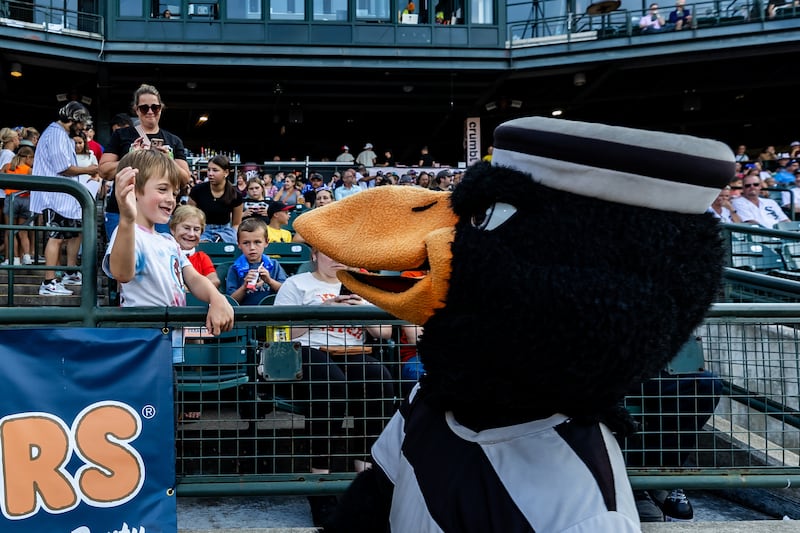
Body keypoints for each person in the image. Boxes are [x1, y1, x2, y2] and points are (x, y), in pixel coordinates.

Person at [273, 248, 394, 524]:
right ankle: (320, 483)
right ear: (315, 255)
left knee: (379, 380)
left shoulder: (360, 286)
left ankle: (366, 479)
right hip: (307, 352)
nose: (336, 258)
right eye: (328, 253)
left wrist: (363, 311)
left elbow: (385, 333)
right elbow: (277, 332)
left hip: (352, 352)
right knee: (332, 384)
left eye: (340, 252)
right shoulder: (297, 284)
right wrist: (321, 311)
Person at [103, 149, 233, 352]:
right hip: (142, 345)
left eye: (174, 193)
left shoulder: (168, 241)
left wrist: (217, 298)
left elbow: (194, 278)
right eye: (162, 189)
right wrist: (127, 219)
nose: (171, 199)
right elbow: (122, 274)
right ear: (133, 189)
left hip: (170, 343)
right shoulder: (127, 232)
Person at [99, 84, 191, 239]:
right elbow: (104, 170)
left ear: (161, 109)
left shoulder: (173, 141)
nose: (150, 112)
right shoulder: (121, 135)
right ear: (136, 110)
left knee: (158, 259)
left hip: (159, 210)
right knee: (123, 259)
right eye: (144, 108)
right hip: (122, 209)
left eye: (154, 107)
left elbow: (184, 178)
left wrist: (168, 160)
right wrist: (132, 157)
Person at [29, 102, 99, 296]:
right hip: (55, 196)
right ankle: (49, 282)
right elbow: (63, 168)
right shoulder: (56, 134)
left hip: (66, 197)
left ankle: (70, 273)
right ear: (74, 119)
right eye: (81, 122)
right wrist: (90, 169)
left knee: (75, 233)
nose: (83, 127)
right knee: (56, 237)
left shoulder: (59, 134)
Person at [225, 218, 287, 305]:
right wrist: (244, 287)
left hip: (271, 314)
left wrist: (269, 281)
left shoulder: (274, 265)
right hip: (244, 315)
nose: (252, 247)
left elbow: (287, 292)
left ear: (266, 242)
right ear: (239, 244)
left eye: (257, 242)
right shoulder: (235, 268)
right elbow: (231, 301)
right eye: (246, 243)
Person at [189, 154, 243, 243]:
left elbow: (236, 224)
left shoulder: (235, 194)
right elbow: (189, 215)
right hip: (202, 229)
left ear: (226, 172)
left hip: (225, 231)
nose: (210, 174)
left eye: (215, 170)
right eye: (209, 170)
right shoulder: (197, 190)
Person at [170, 205, 221, 289]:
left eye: (196, 229)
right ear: (173, 229)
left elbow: (214, 281)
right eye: (186, 228)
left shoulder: (202, 257)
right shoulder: (166, 255)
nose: (191, 234)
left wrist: (189, 291)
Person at [2, 146, 34, 266]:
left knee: (10, 230)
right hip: (25, 200)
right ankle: (26, 256)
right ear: (28, 157)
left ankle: (13, 259)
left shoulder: (7, 167)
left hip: (11, 199)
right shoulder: (28, 170)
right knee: (23, 231)